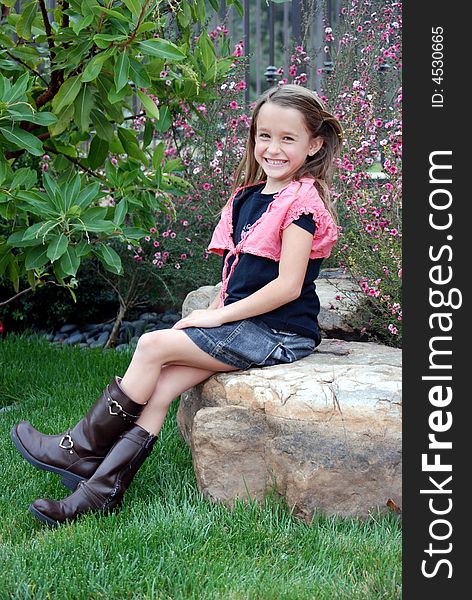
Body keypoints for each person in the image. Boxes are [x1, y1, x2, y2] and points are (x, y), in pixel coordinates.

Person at [11, 84, 343, 526]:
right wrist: (220, 312)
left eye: (288, 139)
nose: (273, 148)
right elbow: (239, 276)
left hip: (278, 332)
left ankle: (78, 449)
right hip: (246, 325)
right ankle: (101, 491)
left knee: (151, 345)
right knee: (163, 385)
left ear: (314, 144)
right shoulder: (247, 198)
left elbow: (286, 287)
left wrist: (215, 316)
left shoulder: (303, 202)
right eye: (265, 136)